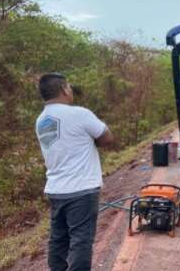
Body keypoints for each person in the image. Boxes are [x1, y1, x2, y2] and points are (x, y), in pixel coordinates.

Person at [35, 73, 114, 271]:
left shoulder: (41, 120)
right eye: (69, 87)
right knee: (81, 241)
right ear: (64, 90)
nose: (71, 90)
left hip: (55, 189)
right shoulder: (79, 113)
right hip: (81, 189)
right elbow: (106, 138)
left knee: (58, 240)